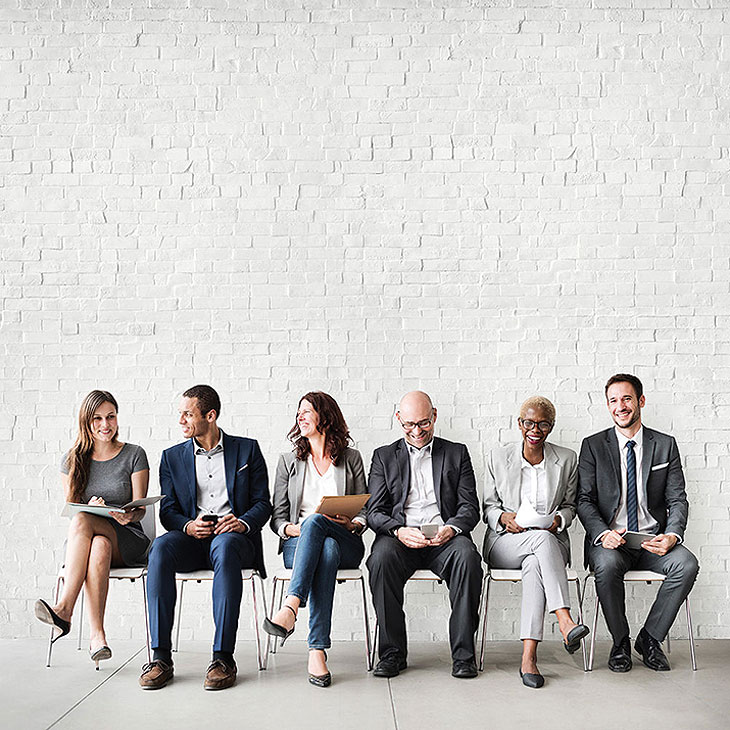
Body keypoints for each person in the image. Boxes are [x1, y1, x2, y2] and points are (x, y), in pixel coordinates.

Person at [139, 385, 271, 691]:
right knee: (159, 547)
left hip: (234, 540)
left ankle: (223, 658)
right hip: (193, 539)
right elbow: (168, 510)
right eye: (180, 414)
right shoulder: (171, 457)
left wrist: (241, 523)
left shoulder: (247, 450)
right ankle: (160, 657)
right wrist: (187, 526)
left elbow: (263, 503)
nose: (181, 420)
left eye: (188, 414)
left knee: (224, 546)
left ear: (210, 416)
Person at [577, 374, 699, 672]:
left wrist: (672, 535)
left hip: (651, 541)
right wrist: (602, 533)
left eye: (627, 398)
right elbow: (584, 500)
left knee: (687, 565)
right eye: (614, 401)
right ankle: (620, 642)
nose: (621, 406)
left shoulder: (664, 445)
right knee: (605, 566)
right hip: (612, 542)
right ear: (608, 406)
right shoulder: (593, 446)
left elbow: (677, 499)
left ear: (640, 401)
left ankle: (650, 639)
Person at [366, 391, 483, 679]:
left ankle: (464, 656)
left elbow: (470, 507)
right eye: (408, 425)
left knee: (468, 558)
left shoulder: (457, 452)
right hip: (400, 537)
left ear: (434, 415)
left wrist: (451, 528)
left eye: (423, 423)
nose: (416, 432)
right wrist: (398, 530)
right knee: (379, 560)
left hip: (445, 536)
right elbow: (373, 511)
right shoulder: (383, 456)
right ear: (398, 419)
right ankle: (392, 654)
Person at [35, 390, 151, 669]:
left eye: (110, 417)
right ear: (86, 422)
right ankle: (97, 637)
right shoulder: (72, 460)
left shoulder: (134, 454)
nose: (105, 424)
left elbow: (141, 509)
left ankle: (64, 609)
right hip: (89, 543)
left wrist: (128, 515)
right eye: (97, 418)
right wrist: (89, 505)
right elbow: (72, 511)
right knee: (98, 543)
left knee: (86, 522)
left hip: (128, 539)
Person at [483, 396, 590, 688]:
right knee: (539, 542)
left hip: (548, 545)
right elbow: (488, 507)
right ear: (520, 424)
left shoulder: (566, 459)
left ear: (551, 427)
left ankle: (528, 657)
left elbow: (570, 506)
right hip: (506, 542)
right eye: (529, 422)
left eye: (543, 424)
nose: (535, 429)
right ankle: (566, 621)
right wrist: (504, 518)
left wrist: (559, 520)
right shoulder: (497, 456)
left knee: (535, 564)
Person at [263, 392, 367, 687]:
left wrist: (353, 522)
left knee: (321, 526)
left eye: (307, 411)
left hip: (345, 537)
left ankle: (291, 607)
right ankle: (317, 650)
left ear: (325, 416)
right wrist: (290, 529)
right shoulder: (288, 462)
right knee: (324, 545)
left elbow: (366, 510)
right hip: (299, 543)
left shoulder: (351, 458)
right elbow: (278, 518)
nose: (300, 417)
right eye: (298, 413)